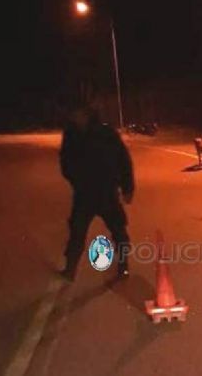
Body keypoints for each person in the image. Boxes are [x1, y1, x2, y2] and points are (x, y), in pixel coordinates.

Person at [59, 103, 134, 281]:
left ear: (87, 115)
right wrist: (77, 180)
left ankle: (123, 266)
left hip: (107, 193)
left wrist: (128, 187)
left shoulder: (107, 134)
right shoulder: (71, 135)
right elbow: (65, 162)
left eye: (78, 113)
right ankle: (70, 268)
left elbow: (124, 160)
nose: (75, 117)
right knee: (77, 232)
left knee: (119, 231)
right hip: (84, 195)